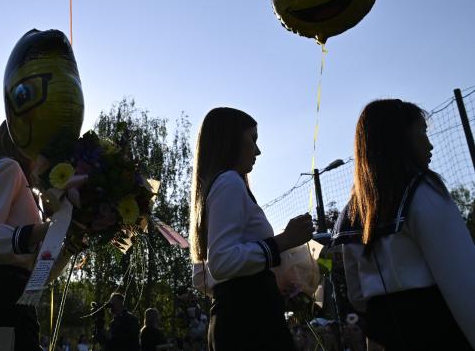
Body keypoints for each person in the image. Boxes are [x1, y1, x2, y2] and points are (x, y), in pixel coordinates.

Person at [333, 99, 475, 350]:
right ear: (399, 139)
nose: (429, 144)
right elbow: (463, 277)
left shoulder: (353, 211)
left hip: (383, 335)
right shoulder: (422, 191)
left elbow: (356, 295)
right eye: (421, 132)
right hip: (436, 329)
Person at [188, 107, 313, 351]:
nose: (257, 150)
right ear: (230, 140)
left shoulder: (216, 188)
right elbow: (222, 262)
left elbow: (202, 276)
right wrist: (284, 241)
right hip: (251, 324)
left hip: (234, 319)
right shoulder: (229, 182)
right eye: (252, 139)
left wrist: (269, 280)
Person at [0, 121, 50, 351]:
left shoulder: (30, 191)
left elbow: (36, 268)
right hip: (0, 299)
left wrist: (71, 240)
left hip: (20, 302)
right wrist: (44, 230)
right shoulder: (8, 168)